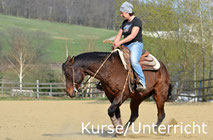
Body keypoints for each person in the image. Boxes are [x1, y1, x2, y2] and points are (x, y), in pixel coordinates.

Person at [113, 1, 146, 91]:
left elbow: (132, 35)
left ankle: (142, 82)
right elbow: (119, 35)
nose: (121, 15)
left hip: (135, 44)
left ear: (127, 12)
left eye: (122, 13)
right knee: (113, 58)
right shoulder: (124, 23)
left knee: (134, 61)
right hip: (125, 45)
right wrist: (115, 44)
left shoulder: (137, 21)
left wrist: (120, 43)